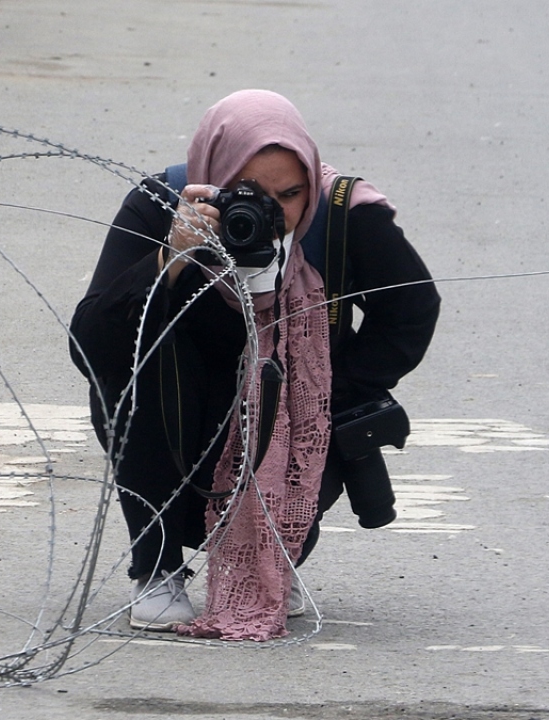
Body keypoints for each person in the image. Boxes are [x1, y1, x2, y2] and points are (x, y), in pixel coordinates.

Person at [69, 89, 439, 640]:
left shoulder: (340, 216)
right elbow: (91, 344)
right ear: (216, 178)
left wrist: (328, 391)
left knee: (310, 413)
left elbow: (412, 311)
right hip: (177, 417)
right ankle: (157, 566)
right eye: (248, 195)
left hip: (287, 413)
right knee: (134, 377)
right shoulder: (164, 205)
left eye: (290, 194)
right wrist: (172, 256)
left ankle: (276, 557)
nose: (272, 214)